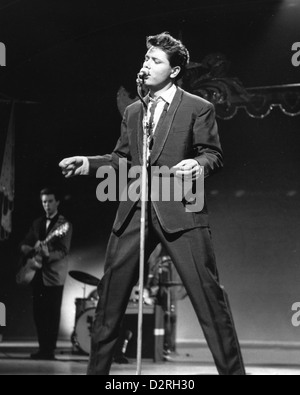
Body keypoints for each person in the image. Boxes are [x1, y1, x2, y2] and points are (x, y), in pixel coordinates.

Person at [59, 32, 246, 375]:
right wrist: (88, 163)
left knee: (210, 301)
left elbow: (213, 155)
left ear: (174, 71)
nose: (146, 64)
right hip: (133, 213)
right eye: (146, 59)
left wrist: (199, 164)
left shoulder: (197, 108)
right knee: (108, 305)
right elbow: (120, 159)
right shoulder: (133, 111)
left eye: (156, 60)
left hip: (180, 213)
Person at [19, 188, 72, 360]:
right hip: (36, 273)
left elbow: (63, 251)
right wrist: (29, 248)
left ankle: (49, 351)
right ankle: (43, 348)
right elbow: (25, 243)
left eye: (50, 201)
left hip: (54, 276)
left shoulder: (64, 225)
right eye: (44, 202)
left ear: (57, 202)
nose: (46, 205)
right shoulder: (37, 222)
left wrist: (47, 254)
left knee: (52, 314)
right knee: (38, 313)